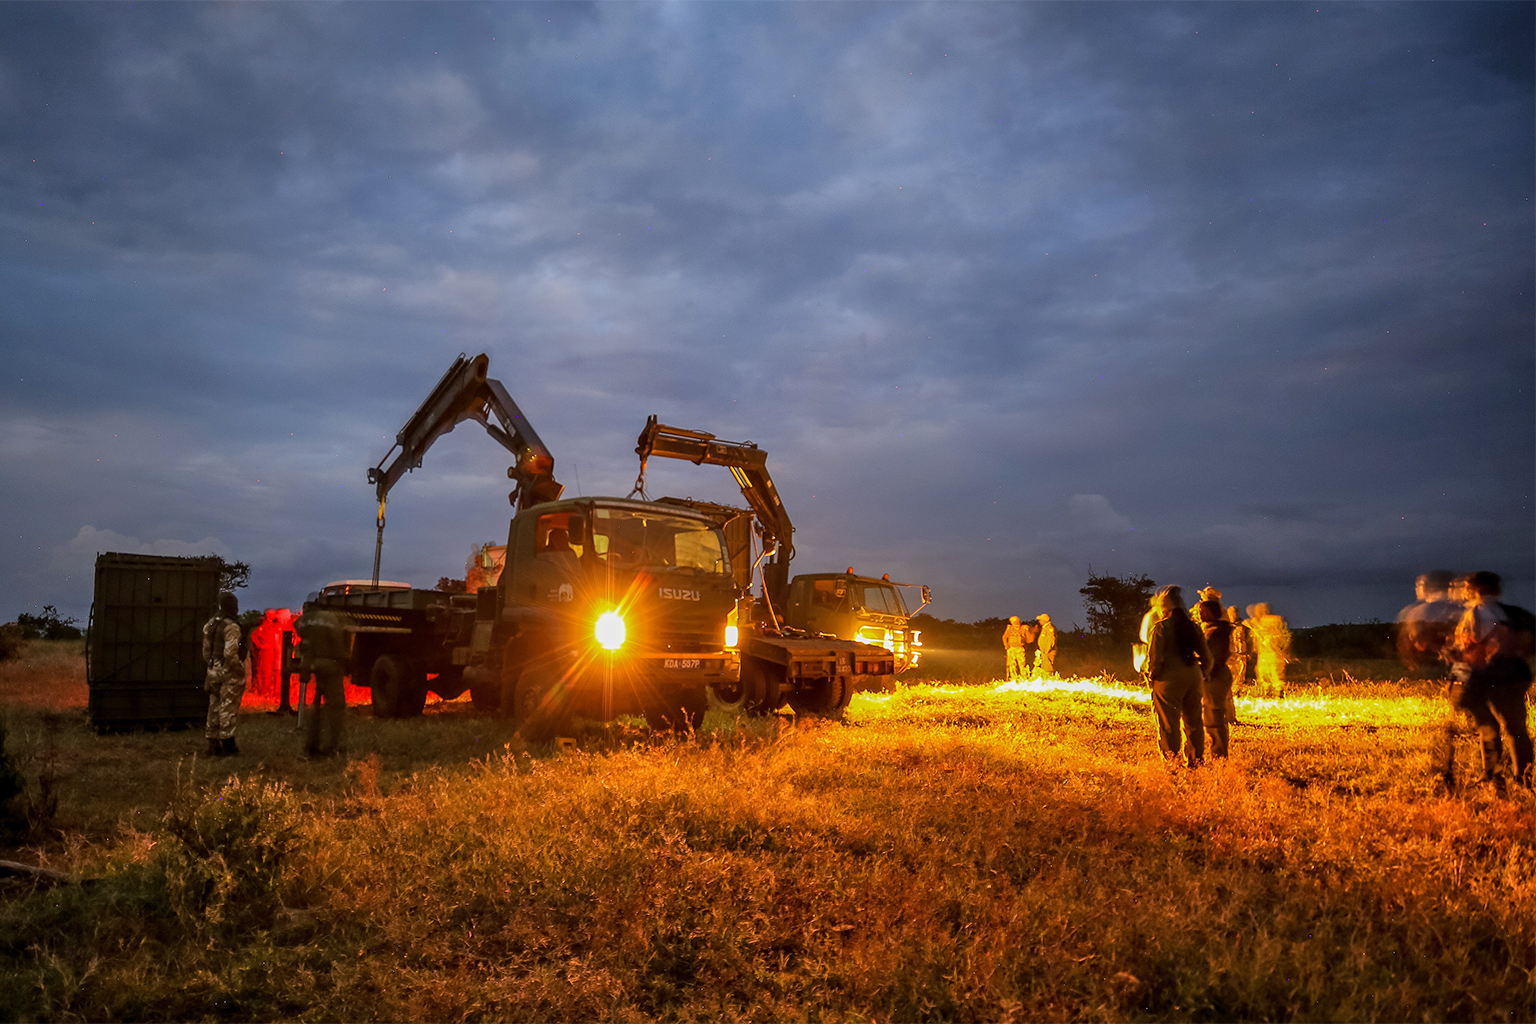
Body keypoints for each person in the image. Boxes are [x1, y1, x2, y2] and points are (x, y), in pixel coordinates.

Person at [1440, 571, 1534, 790]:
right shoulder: (1515, 614)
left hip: (1486, 677)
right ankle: (1524, 778)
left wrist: (1452, 658)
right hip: (1516, 675)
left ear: (1476, 589)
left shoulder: (1474, 614)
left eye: (1466, 588)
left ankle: (1491, 774)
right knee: (1517, 729)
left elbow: (1469, 652)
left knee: (1487, 724)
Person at [1143, 586, 1211, 767]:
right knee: (1194, 721)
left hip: (1169, 680)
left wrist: (1152, 678)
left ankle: (1173, 764)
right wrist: (1204, 674)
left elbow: (1155, 659)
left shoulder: (1161, 628)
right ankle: (1196, 761)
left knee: (1168, 724)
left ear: (1164, 608)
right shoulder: (1194, 627)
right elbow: (1207, 657)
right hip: (1193, 677)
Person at [295, 605, 350, 758]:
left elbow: (305, 645)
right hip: (331, 666)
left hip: (315, 665)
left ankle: (312, 743)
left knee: (317, 704)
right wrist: (345, 662)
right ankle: (335, 745)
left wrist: (305, 667)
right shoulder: (331, 619)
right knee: (336, 705)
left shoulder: (304, 622)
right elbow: (338, 643)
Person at [201, 591, 247, 757]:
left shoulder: (212, 623)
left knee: (214, 705)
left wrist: (212, 665)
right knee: (228, 706)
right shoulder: (231, 626)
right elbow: (230, 653)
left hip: (213, 668)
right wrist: (238, 668)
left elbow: (206, 650)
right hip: (228, 670)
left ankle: (212, 743)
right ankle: (228, 745)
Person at [1397, 570, 1460, 676]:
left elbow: (1407, 644)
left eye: (1419, 585)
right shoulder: (1462, 610)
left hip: (1426, 668)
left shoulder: (1416, 612)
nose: (1417, 589)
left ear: (1428, 587)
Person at [1197, 600, 1235, 757]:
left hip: (1215, 677)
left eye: (1203, 610)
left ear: (1213, 612)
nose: (1200, 613)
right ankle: (1217, 751)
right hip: (1213, 675)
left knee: (1215, 715)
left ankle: (1219, 753)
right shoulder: (1212, 630)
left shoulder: (1216, 632)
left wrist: (1206, 671)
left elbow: (1216, 657)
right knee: (1211, 715)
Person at [1248, 603, 1290, 697]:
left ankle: (1278, 692)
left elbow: (1283, 636)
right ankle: (1267, 692)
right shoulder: (1257, 622)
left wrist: (1284, 650)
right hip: (1263, 653)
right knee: (1263, 673)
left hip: (1273, 652)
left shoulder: (1274, 620)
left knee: (1275, 673)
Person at [248, 609, 282, 704]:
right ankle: (263, 691)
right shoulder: (265, 626)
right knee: (265, 671)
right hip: (266, 650)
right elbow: (254, 635)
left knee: (269, 671)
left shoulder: (273, 625)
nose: (275, 615)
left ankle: (265, 690)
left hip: (272, 650)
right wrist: (260, 645)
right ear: (268, 615)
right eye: (273, 614)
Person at [1224, 605, 1250, 724]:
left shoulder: (1242, 624)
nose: (1235, 614)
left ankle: (1238, 691)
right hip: (1230, 657)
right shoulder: (1225, 626)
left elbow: (1248, 638)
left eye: (1236, 612)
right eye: (1232, 612)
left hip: (1240, 655)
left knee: (1239, 675)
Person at [1002, 616, 1029, 681]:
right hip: (1011, 649)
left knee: (1022, 664)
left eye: (1015, 621)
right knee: (1012, 665)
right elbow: (1004, 637)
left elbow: (1029, 638)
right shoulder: (1009, 628)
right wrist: (1006, 646)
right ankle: (1013, 679)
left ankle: (1024, 679)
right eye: (1012, 621)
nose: (1014, 622)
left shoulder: (1023, 628)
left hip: (1020, 648)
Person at [1033, 613, 1057, 678]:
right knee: (1044, 666)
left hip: (1047, 651)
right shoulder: (1045, 628)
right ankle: (1046, 680)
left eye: (1040, 620)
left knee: (1048, 667)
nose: (1039, 621)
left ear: (1044, 621)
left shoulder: (1049, 628)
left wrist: (1046, 650)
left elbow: (1051, 640)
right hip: (1044, 651)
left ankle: (1049, 680)